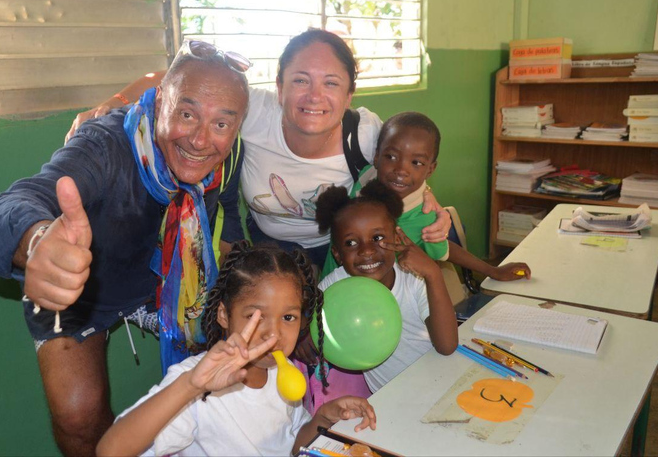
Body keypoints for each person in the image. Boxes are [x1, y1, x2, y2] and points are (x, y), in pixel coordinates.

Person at [0, 41, 251, 456]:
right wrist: (36, 242)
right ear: (158, 106)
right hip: (86, 282)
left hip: (172, 281)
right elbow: (12, 204)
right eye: (187, 114)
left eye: (221, 125)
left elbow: (225, 211)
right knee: (78, 416)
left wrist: (251, 277)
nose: (200, 140)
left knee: (239, 355)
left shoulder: (227, 155)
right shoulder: (105, 143)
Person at [67, 30, 453, 269]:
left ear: (350, 94)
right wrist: (115, 100)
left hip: (340, 250)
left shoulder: (365, 133)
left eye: (331, 84)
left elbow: (405, 168)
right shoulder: (254, 110)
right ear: (280, 86)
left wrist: (433, 205)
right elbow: (169, 79)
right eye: (300, 80)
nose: (314, 96)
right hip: (267, 245)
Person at [96, 242, 376, 457]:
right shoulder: (196, 382)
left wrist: (322, 418)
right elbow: (110, 450)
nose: (273, 334)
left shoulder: (284, 371)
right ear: (224, 315)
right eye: (255, 316)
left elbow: (291, 446)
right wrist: (191, 386)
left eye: (288, 317)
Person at [322, 111, 531, 280]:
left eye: (416, 163)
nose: (401, 170)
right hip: (328, 287)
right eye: (391, 156)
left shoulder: (423, 216)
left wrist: (491, 270)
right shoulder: (364, 178)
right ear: (376, 157)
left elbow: (444, 250)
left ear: (430, 170)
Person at [314, 180, 458, 394]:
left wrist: (433, 274)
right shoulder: (333, 288)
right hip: (388, 401)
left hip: (442, 385)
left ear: (396, 237)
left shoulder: (415, 279)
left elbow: (447, 346)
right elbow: (308, 323)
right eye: (351, 243)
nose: (367, 251)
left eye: (378, 238)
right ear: (337, 254)